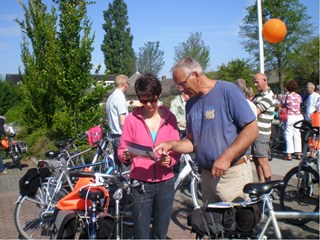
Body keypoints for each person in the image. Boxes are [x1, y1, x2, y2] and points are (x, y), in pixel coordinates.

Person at [155, 57, 258, 203]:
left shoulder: (228, 91)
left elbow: (252, 130)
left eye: (182, 84)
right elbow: (193, 142)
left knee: (237, 223)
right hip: (207, 177)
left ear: (196, 75)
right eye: (178, 86)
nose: (181, 89)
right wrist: (172, 144)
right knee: (211, 223)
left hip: (232, 175)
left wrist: (226, 157)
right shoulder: (190, 104)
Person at [117, 73, 180, 239]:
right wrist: (126, 155)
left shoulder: (170, 118)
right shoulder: (132, 119)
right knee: (141, 233)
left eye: (153, 99)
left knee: (161, 233)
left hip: (166, 182)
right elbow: (122, 148)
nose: (149, 104)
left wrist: (170, 160)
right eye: (144, 100)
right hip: (141, 184)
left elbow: (177, 147)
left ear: (158, 95)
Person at [252, 73, 274, 183]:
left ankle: (269, 187)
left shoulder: (268, 96)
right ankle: (261, 183)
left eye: (257, 82)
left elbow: (253, 112)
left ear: (265, 80)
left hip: (262, 133)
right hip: (255, 132)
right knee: (256, 160)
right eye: (254, 82)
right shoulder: (258, 96)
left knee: (262, 160)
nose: (255, 84)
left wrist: (255, 111)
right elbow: (252, 110)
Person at [106, 74, 130, 172]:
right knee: (126, 169)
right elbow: (122, 120)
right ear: (125, 84)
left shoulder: (111, 97)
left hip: (115, 136)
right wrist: (129, 136)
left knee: (118, 168)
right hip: (122, 136)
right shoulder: (119, 97)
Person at [281, 80, 303, 160]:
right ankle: (298, 153)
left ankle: (289, 154)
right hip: (298, 116)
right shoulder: (299, 96)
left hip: (290, 116)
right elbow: (300, 104)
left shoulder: (287, 96)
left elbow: (282, 104)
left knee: (289, 134)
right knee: (297, 134)